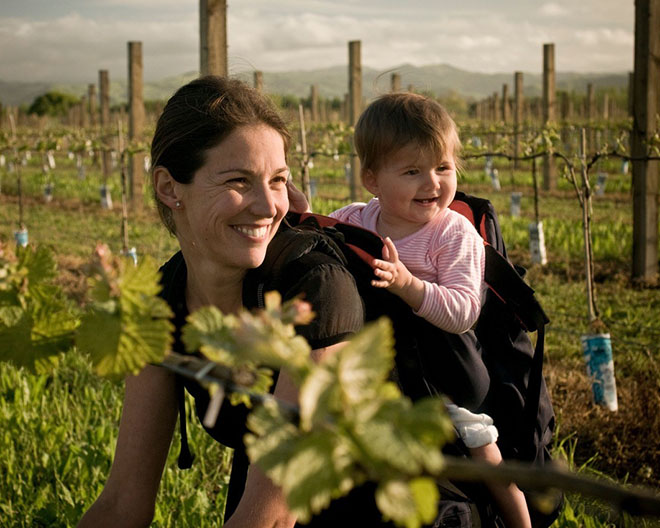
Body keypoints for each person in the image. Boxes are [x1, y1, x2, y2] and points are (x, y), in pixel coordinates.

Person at [77, 76, 365, 528]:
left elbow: (269, 518)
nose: (269, 205)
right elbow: (122, 504)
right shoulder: (160, 301)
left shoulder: (316, 289)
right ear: (170, 189)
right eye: (239, 181)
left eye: (278, 181)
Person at [316, 92, 531, 528]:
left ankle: (520, 520)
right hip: (387, 375)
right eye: (412, 171)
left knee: (485, 452)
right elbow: (321, 234)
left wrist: (410, 286)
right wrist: (300, 212)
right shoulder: (360, 219)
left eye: (442, 168)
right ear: (372, 179)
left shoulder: (453, 234)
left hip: (447, 378)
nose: (432, 183)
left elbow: (464, 311)